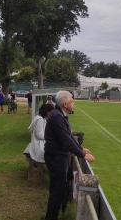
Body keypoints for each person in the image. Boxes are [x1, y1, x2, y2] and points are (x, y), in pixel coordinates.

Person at [44, 91, 95, 220]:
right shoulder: (57, 117)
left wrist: (81, 149)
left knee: (58, 190)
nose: (74, 103)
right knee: (57, 191)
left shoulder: (61, 115)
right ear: (65, 104)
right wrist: (82, 154)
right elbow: (66, 142)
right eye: (72, 101)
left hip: (59, 157)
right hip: (56, 158)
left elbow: (69, 137)